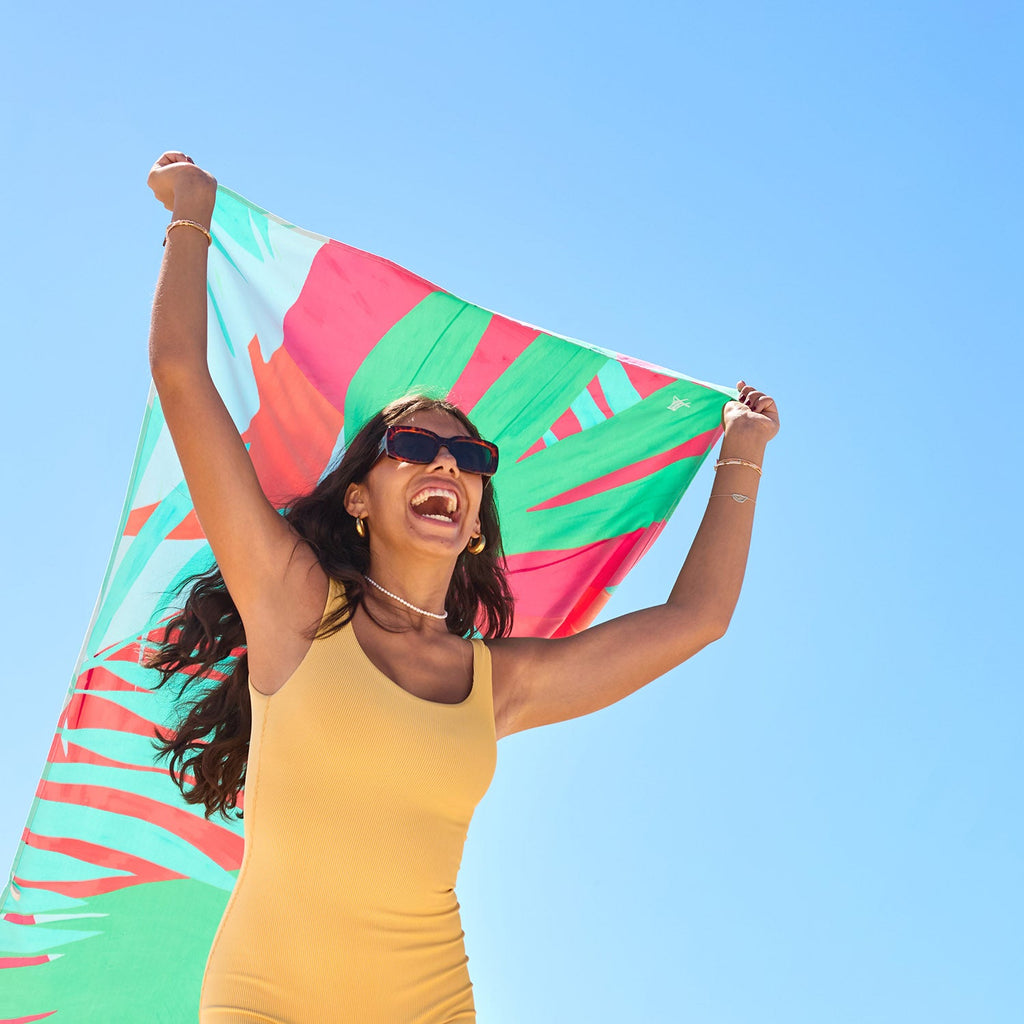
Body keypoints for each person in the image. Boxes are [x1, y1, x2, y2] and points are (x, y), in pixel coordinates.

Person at [145, 150, 780, 1024]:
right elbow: (183, 378)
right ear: (360, 497)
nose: (446, 461)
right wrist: (192, 215)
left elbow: (697, 617)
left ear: (477, 517)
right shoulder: (294, 605)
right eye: (414, 448)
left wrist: (742, 452)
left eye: (470, 458)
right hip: (266, 1003)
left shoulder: (498, 684)